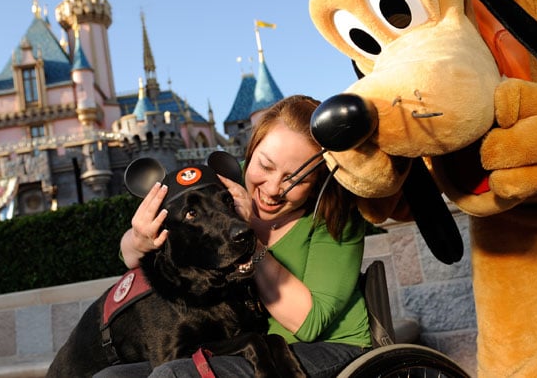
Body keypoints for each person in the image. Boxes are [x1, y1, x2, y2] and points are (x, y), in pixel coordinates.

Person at [108, 95, 372, 378]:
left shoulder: (335, 216)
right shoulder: (227, 186)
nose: (273, 189)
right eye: (266, 166)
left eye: (296, 179)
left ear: (317, 180)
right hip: (254, 348)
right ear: (249, 151)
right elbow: (130, 253)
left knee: (174, 375)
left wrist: (250, 233)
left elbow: (309, 324)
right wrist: (139, 239)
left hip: (332, 348)